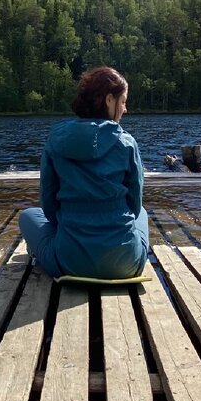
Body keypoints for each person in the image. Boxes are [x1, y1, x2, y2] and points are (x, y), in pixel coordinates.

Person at [19, 66, 150, 279]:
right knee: (143, 212)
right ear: (109, 100)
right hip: (125, 263)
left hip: (68, 262)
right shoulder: (127, 143)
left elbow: (49, 206)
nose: (125, 109)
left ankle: (47, 252)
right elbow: (134, 206)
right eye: (123, 101)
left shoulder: (56, 139)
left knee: (28, 215)